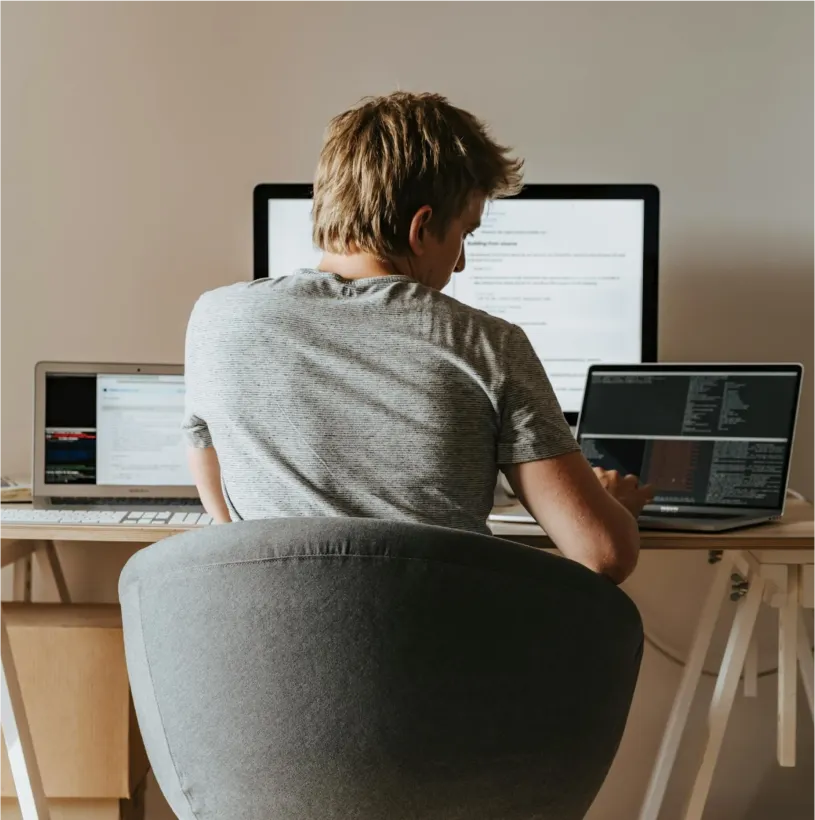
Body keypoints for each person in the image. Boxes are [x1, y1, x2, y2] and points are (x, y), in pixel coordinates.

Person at [182, 91, 653, 584]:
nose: (462, 262)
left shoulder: (216, 319)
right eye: (465, 235)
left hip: (265, 651)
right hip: (437, 654)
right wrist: (611, 507)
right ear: (422, 227)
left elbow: (227, 525)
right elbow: (602, 555)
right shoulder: (488, 344)